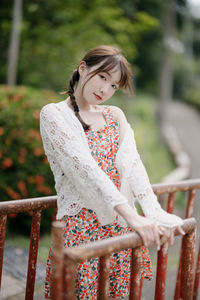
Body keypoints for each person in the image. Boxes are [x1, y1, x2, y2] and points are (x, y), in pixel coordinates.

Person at [40, 45, 184, 299]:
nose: (105, 89)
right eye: (102, 77)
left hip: (119, 228)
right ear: (83, 68)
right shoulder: (54, 114)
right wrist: (134, 217)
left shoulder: (114, 115)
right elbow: (87, 170)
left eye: (114, 85)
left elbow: (134, 167)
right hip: (81, 230)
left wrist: (154, 213)